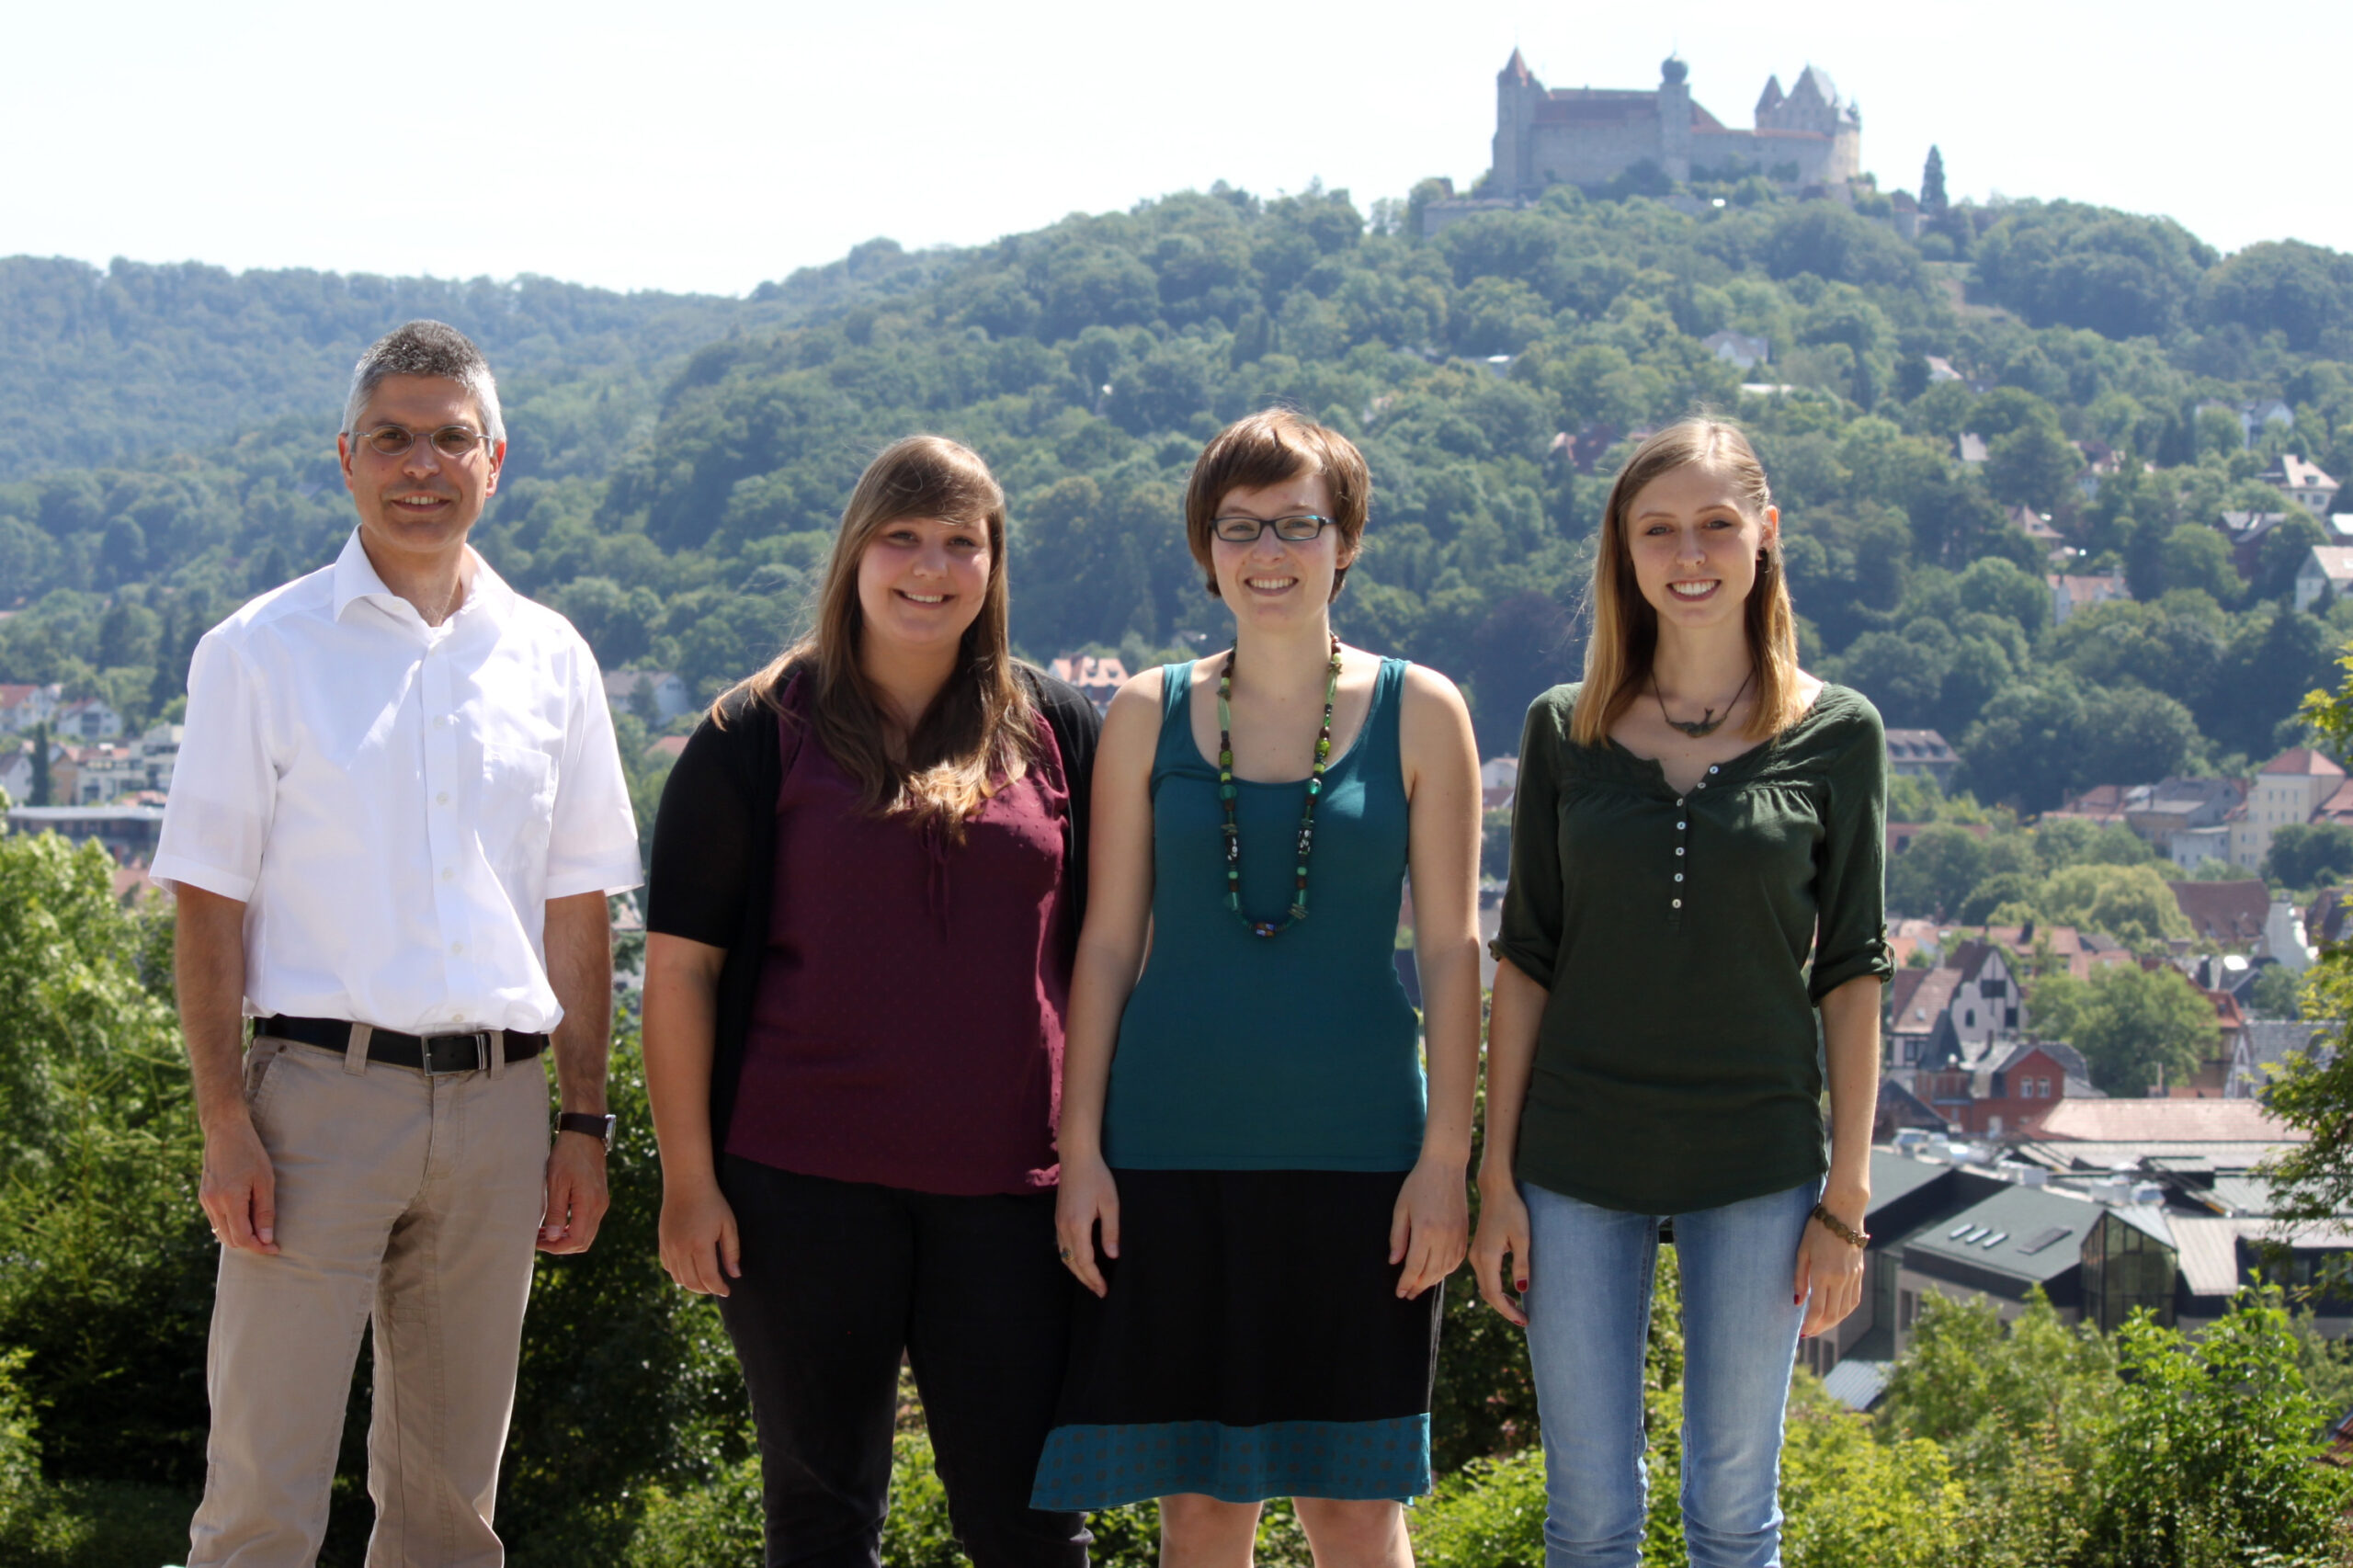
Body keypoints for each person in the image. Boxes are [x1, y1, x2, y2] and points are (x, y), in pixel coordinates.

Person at [156, 320, 642, 1568]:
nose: (420, 464)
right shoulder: (259, 650)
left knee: (447, 1515)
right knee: (261, 1495)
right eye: (392, 438)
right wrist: (224, 1118)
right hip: (312, 1103)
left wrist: (583, 1121)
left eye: (449, 438)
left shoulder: (553, 657)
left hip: (501, 1112)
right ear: (345, 458)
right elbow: (206, 902)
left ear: (497, 461)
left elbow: (578, 907)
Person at [641, 436, 1100, 1568]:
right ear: (855, 551)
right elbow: (682, 971)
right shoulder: (752, 733)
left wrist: (1097, 1157)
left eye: (961, 542)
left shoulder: (1057, 730)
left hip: (1015, 1192)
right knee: (821, 1519)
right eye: (902, 537)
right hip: (799, 1186)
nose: (929, 567)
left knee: (1032, 1522)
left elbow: (1107, 957)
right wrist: (688, 1180)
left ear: (995, 564)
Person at [1038, 409, 1483, 1567]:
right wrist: (1078, 1148)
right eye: (1239, 525)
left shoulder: (1422, 709)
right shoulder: (1144, 709)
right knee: (1199, 1506)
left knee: (1354, 1504)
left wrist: (1448, 1161)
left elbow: (1450, 950)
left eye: (1298, 521)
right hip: (1168, 1153)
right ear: (1206, 547)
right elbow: (1102, 945)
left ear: (1346, 540)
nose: (1268, 548)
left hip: (1365, 1160)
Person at [1470, 417, 1888, 1568]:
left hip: (1756, 1161)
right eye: (1659, 528)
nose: (1689, 551)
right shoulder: (1565, 729)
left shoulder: (1837, 733)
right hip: (1573, 1158)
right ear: (1624, 548)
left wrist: (1847, 1196)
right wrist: (1495, 1178)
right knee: (1589, 1516)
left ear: (1765, 534)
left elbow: (1853, 970)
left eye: (1714, 522)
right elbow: (1526, 959)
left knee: (1732, 1512)